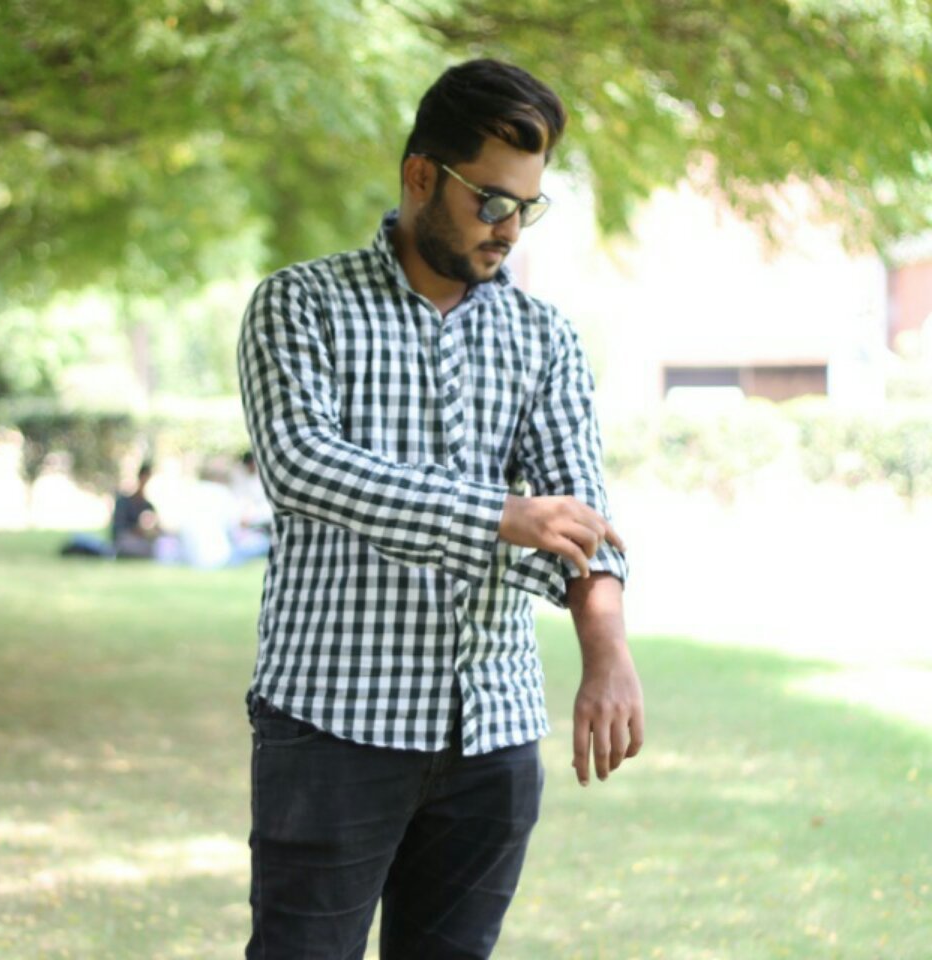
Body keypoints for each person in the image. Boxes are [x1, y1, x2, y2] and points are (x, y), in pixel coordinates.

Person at [237, 59, 644, 960]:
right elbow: (304, 465)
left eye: (528, 207)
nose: (510, 228)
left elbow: (580, 513)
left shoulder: (544, 336)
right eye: (491, 201)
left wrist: (607, 654)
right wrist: (499, 513)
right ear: (421, 175)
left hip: (493, 731)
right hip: (332, 722)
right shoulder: (300, 304)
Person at [112, 461, 160, 558]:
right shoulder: (123, 502)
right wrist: (137, 530)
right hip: (125, 540)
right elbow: (118, 529)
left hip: (142, 542)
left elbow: (156, 530)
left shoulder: (149, 506)